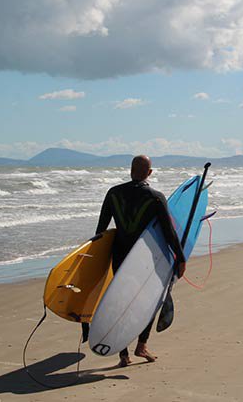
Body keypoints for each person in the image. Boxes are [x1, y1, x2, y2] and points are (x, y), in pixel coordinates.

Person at [93, 155, 186, 367]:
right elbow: (169, 232)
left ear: (130, 170)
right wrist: (180, 258)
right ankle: (141, 346)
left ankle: (123, 354)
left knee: (120, 302)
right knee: (148, 302)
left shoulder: (113, 193)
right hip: (144, 258)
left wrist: (95, 265)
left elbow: (101, 230)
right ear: (149, 173)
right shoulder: (155, 197)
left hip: (119, 257)